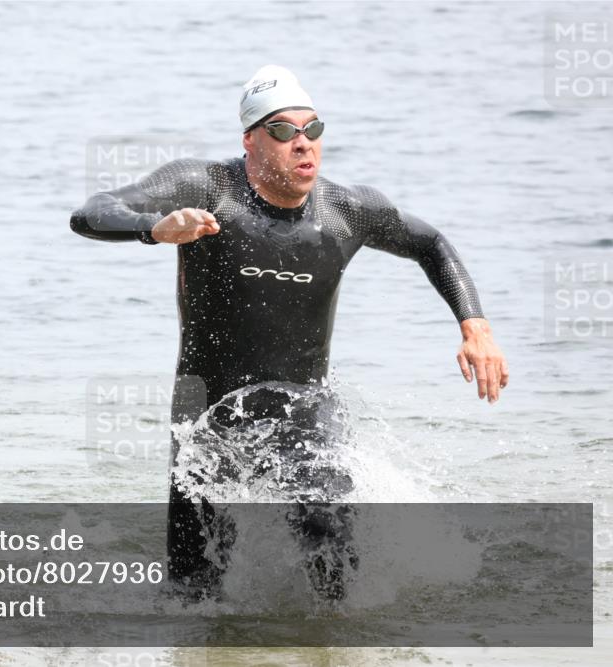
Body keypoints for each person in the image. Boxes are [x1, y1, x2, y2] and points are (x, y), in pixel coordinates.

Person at [70, 65, 508, 593]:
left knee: (330, 539)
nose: (303, 143)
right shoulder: (206, 188)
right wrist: (153, 229)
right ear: (250, 140)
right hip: (204, 416)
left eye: (313, 129)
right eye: (283, 130)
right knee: (193, 589)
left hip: (304, 411)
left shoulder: (348, 211)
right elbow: (91, 212)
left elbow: (430, 243)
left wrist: (475, 325)